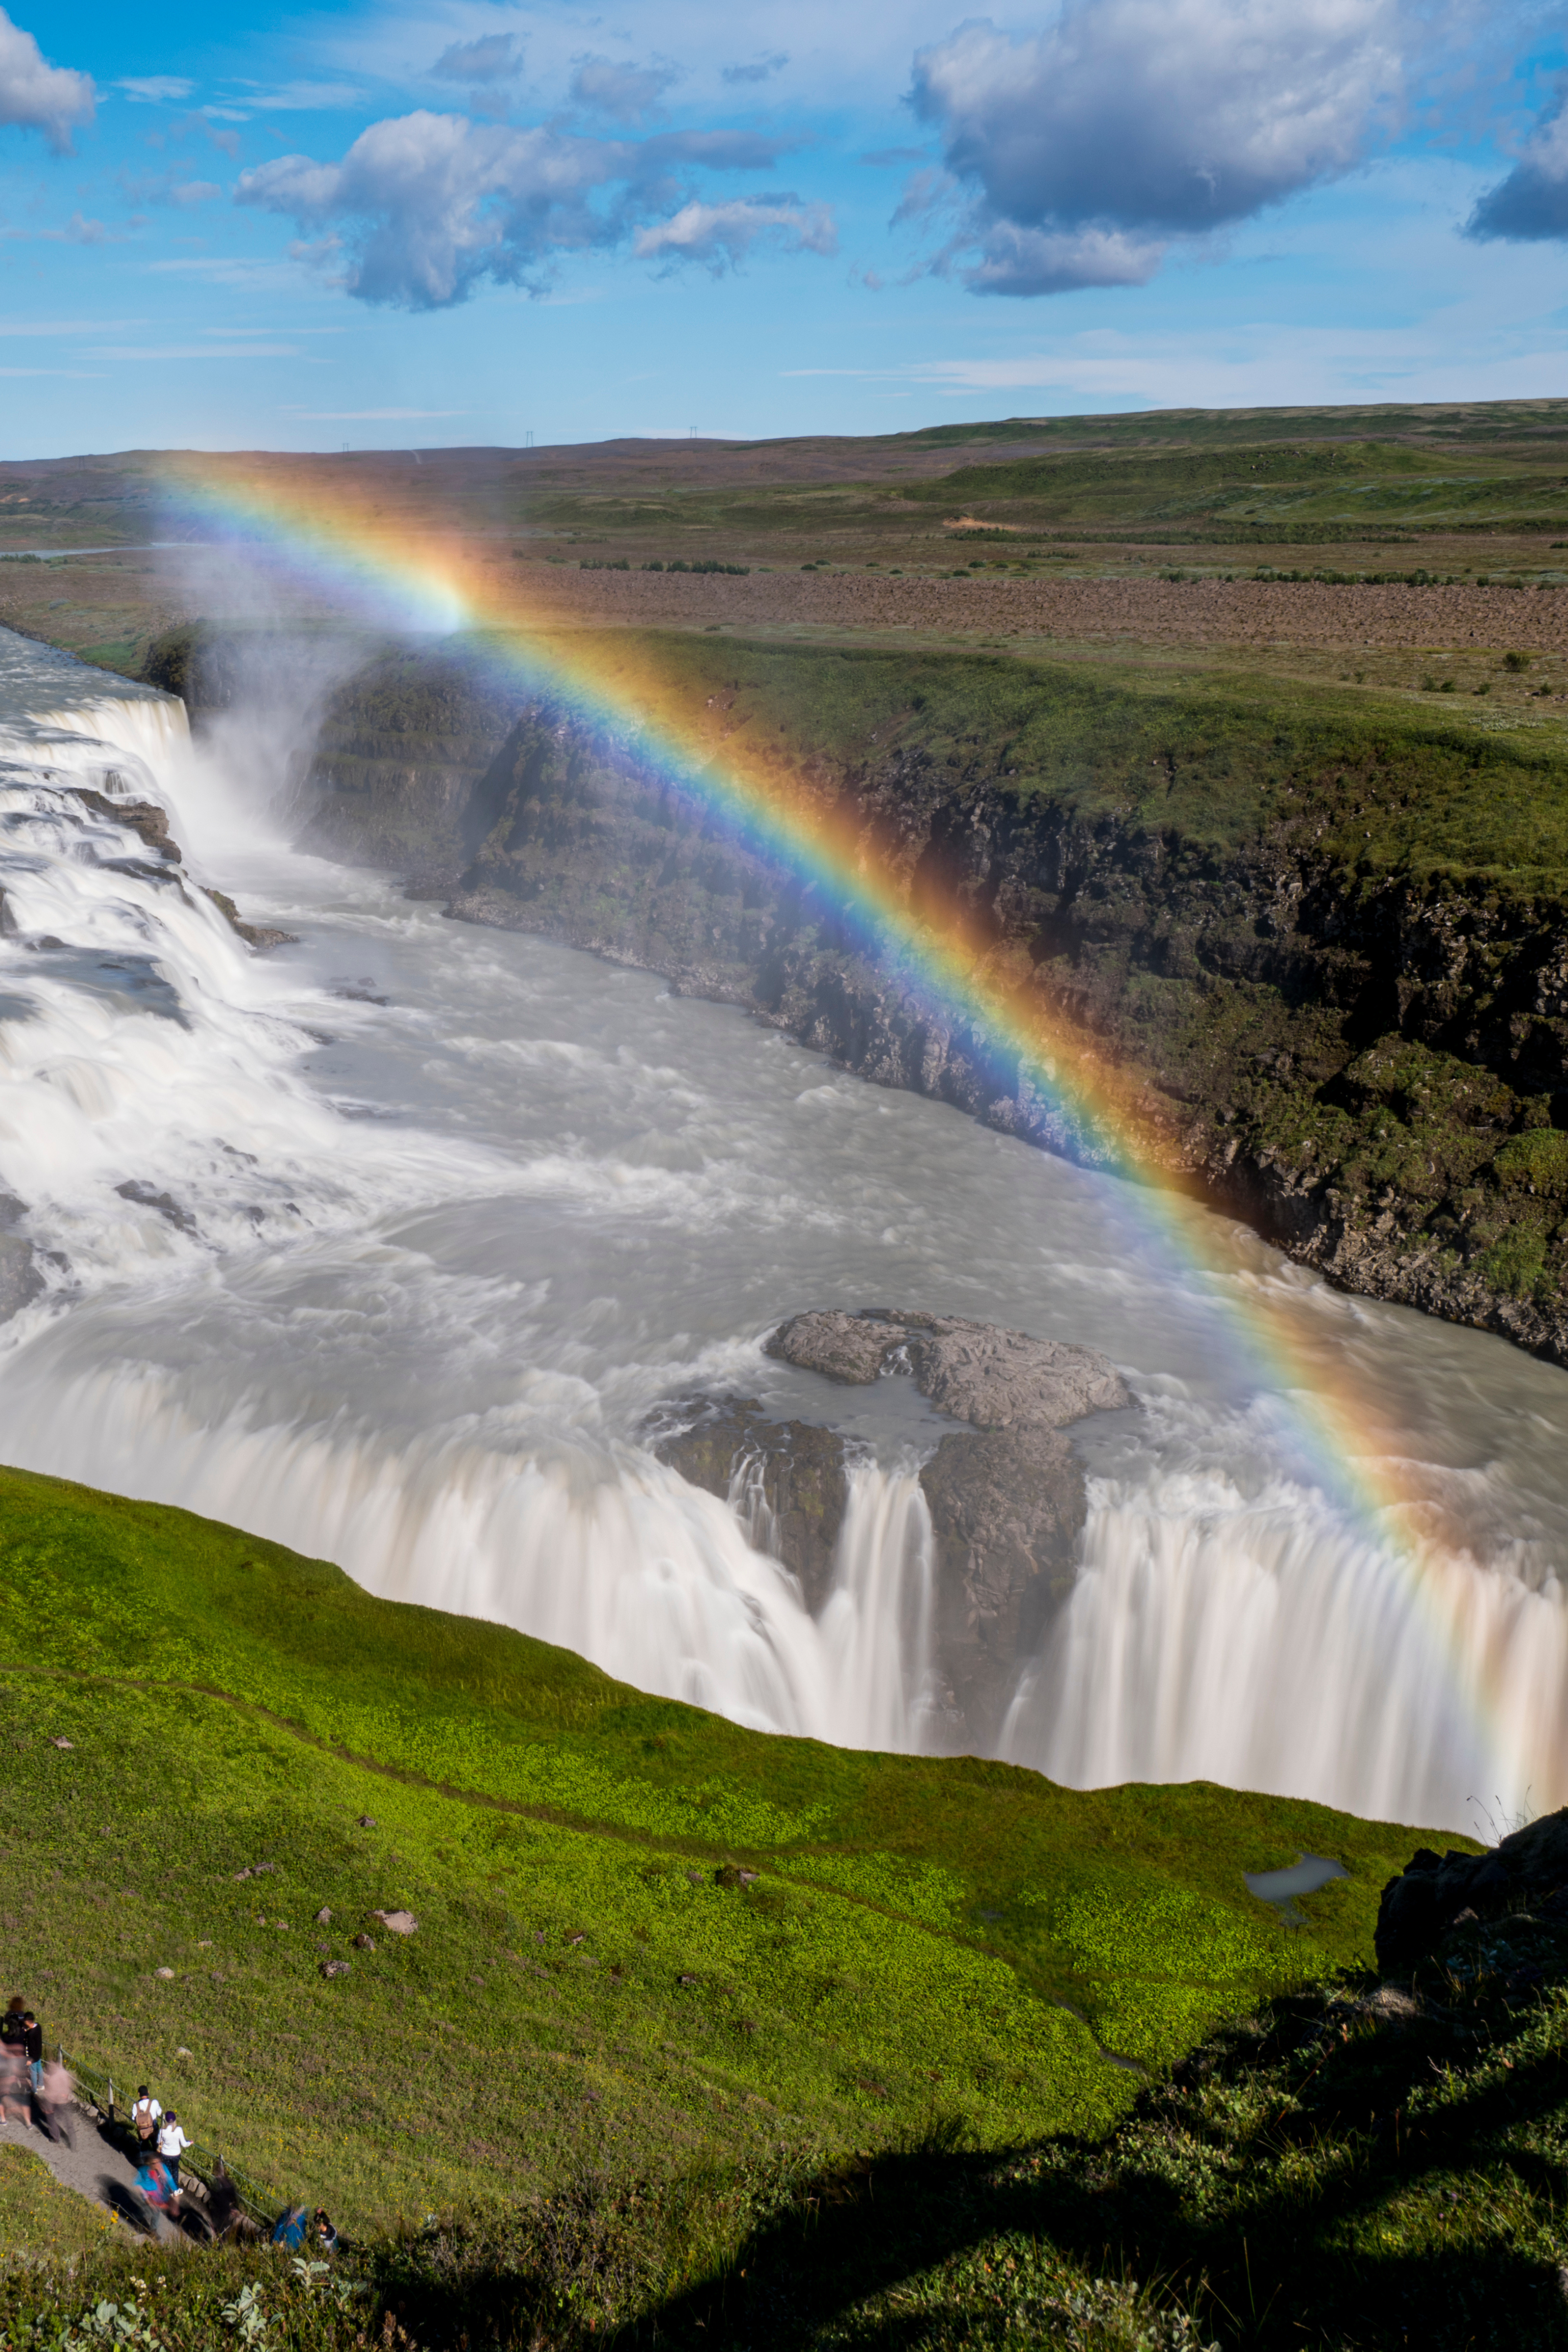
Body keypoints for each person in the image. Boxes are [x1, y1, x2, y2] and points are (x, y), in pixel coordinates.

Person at [38, 2056, 74, 2148]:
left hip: (52, 2100)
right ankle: (72, 2138)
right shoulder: (63, 2072)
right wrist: (66, 2094)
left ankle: (56, 2138)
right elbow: (68, 2083)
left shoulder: (49, 2079)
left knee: (50, 2118)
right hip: (63, 2100)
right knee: (66, 2118)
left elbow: (48, 2093)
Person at [156, 2109, 191, 2187]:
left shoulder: (162, 2131)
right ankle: (175, 2189)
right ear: (175, 2120)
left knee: (167, 2171)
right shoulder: (179, 2130)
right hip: (176, 2155)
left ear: (166, 2121)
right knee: (175, 2170)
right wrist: (190, 2143)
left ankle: (166, 2186)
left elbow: (159, 2142)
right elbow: (184, 2144)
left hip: (165, 2154)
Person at [129, 2085, 162, 2160]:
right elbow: (159, 2113)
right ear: (148, 2093)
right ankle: (157, 2162)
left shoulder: (136, 2106)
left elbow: (134, 2119)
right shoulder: (154, 2103)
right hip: (153, 2129)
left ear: (139, 2094)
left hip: (142, 2131)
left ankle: (144, 2162)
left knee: (144, 2147)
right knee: (156, 2146)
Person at [21, 2012, 41, 2094]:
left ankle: (34, 2090)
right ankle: (41, 2084)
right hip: (39, 2054)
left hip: (33, 2056)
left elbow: (30, 2046)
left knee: (33, 2073)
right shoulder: (38, 2026)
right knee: (39, 2068)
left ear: (27, 2021)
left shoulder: (31, 2034)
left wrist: (31, 2060)